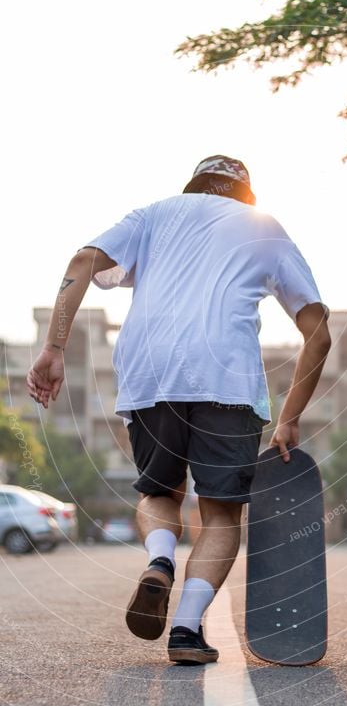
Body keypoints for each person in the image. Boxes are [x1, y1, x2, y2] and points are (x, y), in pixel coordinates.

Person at [26, 155, 330, 664]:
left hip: (149, 372)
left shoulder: (152, 215)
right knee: (220, 512)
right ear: (244, 195)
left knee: (159, 491)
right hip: (227, 380)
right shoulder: (263, 228)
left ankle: (160, 561)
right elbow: (318, 330)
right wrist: (290, 416)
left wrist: (54, 348)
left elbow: (81, 263)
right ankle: (187, 631)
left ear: (194, 187)